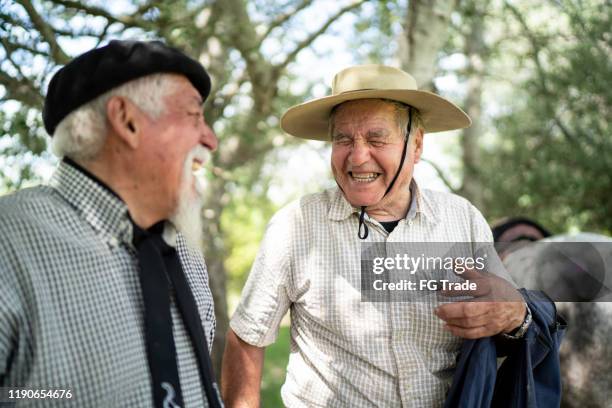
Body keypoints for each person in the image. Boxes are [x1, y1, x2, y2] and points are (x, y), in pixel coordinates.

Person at [221, 65, 532, 407]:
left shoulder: (464, 221)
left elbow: (503, 328)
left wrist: (516, 315)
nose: (357, 156)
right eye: (342, 139)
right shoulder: (295, 226)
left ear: (416, 145)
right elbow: (247, 337)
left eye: (376, 138)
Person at [0, 40, 223, 407]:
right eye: (194, 116)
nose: (210, 140)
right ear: (127, 120)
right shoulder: (9, 244)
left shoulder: (182, 247)